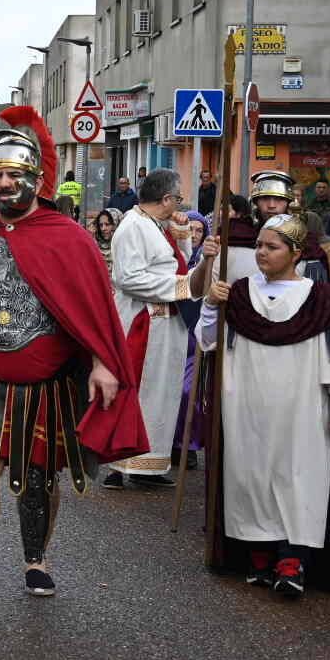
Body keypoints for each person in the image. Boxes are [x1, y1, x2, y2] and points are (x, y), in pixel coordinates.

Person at [0, 107, 147, 607]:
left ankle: (35, 561)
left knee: (36, 475)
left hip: (45, 387)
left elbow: (94, 312)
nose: (4, 184)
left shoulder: (70, 239)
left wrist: (105, 362)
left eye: (14, 175)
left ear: (36, 180)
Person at [199, 214, 330, 598]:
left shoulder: (319, 299)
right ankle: (259, 556)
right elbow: (208, 342)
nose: (261, 252)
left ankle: (292, 560)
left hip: (302, 410)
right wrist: (211, 305)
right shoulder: (239, 293)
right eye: (259, 245)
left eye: (271, 247)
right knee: (252, 478)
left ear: (295, 254)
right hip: (247, 407)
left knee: (299, 478)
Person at [105, 169, 210, 489]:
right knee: (141, 393)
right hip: (144, 322)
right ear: (166, 198)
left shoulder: (158, 225)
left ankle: (148, 464)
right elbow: (129, 277)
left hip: (167, 324)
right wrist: (181, 286)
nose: (179, 204)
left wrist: (183, 240)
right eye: (177, 198)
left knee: (162, 395)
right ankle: (123, 464)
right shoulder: (132, 227)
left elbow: (176, 263)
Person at [93, 207, 123, 272]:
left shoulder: (124, 247)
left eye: (107, 224)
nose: (103, 228)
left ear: (116, 224)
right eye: (101, 225)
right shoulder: (94, 245)